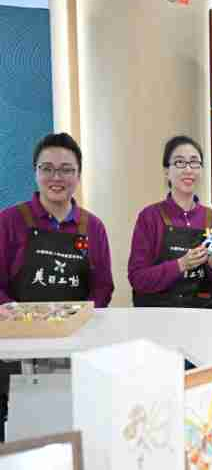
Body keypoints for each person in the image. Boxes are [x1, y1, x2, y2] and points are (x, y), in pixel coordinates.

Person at [0, 132, 114, 440]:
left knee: (77, 427)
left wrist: (79, 322)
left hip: (75, 346)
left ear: (78, 174)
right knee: (20, 434)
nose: (56, 177)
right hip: (16, 348)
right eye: (47, 168)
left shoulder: (93, 227)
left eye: (66, 169)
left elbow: (103, 286)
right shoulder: (9, 221)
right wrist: (16, 319)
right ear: (35, 172)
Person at [128, 135, 212, 308]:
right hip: (160, 314)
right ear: (166, 171)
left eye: (194, 162)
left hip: (204, 313)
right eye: (180, 162)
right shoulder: (150, 217)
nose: (188, 169)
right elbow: (137, 279)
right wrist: (180, 265)